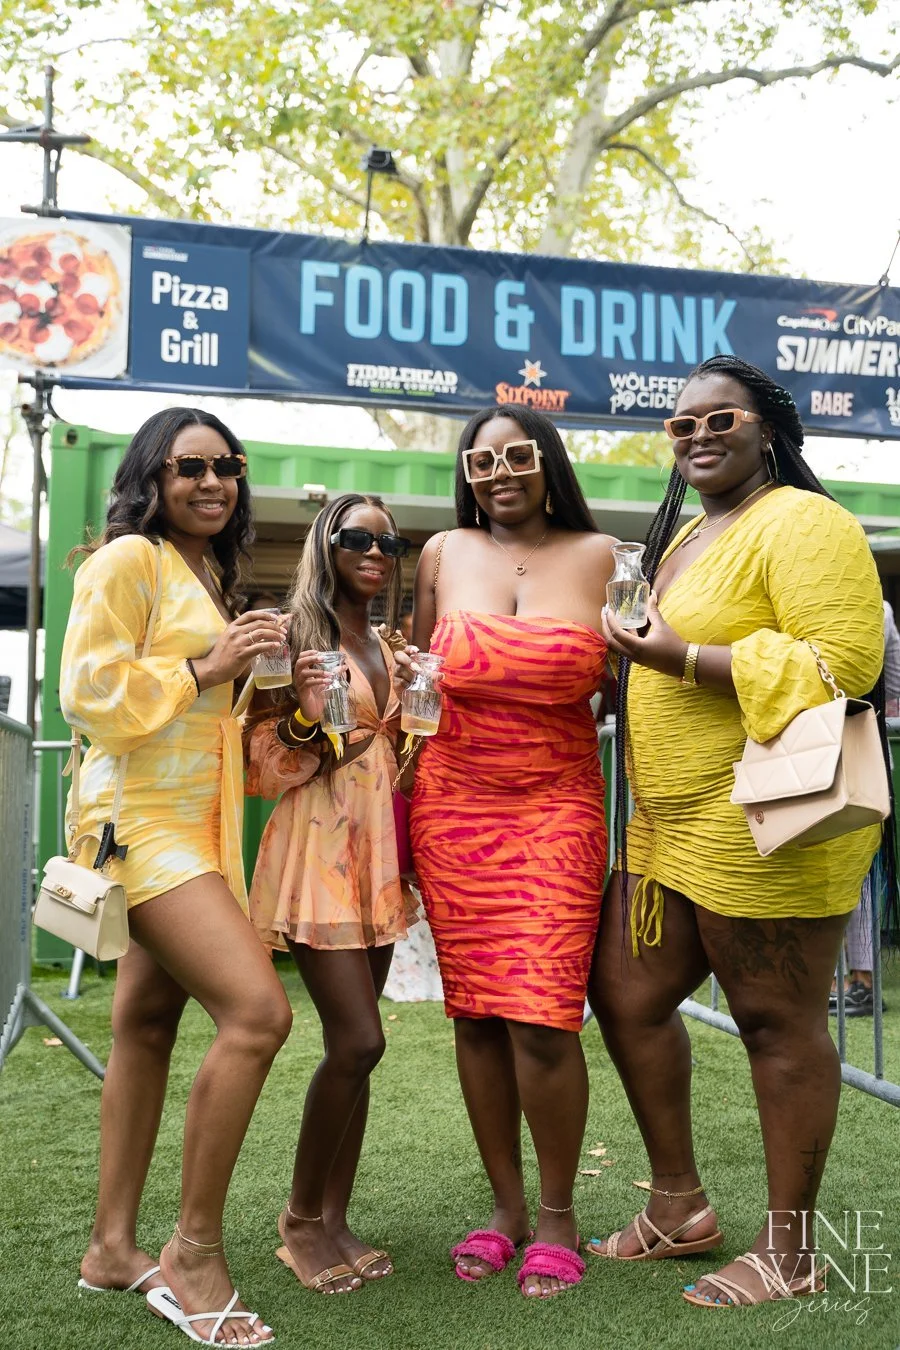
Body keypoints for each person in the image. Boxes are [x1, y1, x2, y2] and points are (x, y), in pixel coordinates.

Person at [588, 355, 895, 1309]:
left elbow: (844, 663)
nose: (698, 436)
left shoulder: (805, 520)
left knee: (775, 1022)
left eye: (721, 419)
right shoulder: (686, 533)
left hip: (767, 819)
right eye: (682, 425)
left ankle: (790, 1252)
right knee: (625, 994)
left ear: (770, 429)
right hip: (669, 825)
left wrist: (678, 657)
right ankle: (678, 1206)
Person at [62, 407, 293, 1346]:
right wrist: (208, 666)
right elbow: (87, 691)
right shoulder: (127, 560)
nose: (212, 482)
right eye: (189, 466)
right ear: (150, 477)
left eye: (226, 466)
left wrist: (272, 686)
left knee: (147, 1025)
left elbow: (204, 712)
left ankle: (111, 1249)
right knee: (259, 1014)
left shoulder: (208, 575)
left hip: (199, 823)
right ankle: (193, 1254)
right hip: (138, 826)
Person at [396, 406, 616, 1299]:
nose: (497, 473)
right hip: (453, 806)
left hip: (558, 805)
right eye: (479, 461)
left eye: (516, 455)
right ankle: (507, 1208)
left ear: (547, 460)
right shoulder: (442, 553)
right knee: (479, 1016)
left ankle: (558, 1215)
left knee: (543, 1016)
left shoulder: (603, 557)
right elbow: (418, 678)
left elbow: (633, 688)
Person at [243, 493, 419, 1296]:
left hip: (377, 855)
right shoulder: (292, 640)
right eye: (358, 539)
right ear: (327, 545)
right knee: (359, 1041)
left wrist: (418, 711)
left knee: (359, 1049)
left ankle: (335, 1219)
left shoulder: (388, 643)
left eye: (389, 542)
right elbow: (258, 766)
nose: (376, 552)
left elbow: (394, 759)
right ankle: (300, 1221)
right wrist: (309, 723)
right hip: (316, 850)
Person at [829, 598, 899, 1017]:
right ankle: (859, 980)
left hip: (815, 751)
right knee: (861, 870)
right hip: (865, 749)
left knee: (829, 865)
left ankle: (842, 980)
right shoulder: (880, 608)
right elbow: (895, 685)